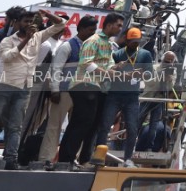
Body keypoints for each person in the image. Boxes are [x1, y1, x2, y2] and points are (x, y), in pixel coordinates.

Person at [0, 8, 67, 169]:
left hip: (24, 88)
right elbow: (7, 57)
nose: (29, 24)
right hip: (4, 85)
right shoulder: (7, 40)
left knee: (15, 126)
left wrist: (48, 15)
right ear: (18, 23)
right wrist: (25, 40)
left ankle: (10, 159)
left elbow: (61, 24)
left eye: (31, 21)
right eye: (25, 21)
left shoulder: (38, 37)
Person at [58, 12, 123, 166]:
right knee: (81, 123)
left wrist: (117, 68)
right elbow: (86, 63)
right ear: (108, 25)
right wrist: (106, 72)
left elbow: (106, 66)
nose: (120, 28)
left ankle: (78, 159)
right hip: (84, 85)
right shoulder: (93, 40)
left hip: (96, 88)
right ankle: (66, 160)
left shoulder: (108, 44)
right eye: (118, 25)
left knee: (89, 124)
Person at [39, 15, 97, 163]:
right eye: (90, 30)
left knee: (78, 129)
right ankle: (46, 159)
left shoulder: (93, 48)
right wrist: (55, 90)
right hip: (64, 93)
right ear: (81, 29)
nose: (93, 33)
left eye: (94, 30)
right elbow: (56, 69)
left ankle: (71, 159)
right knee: (54, 126)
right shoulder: (68, 46)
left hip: (82, 94)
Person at [95, 26, 154, 166]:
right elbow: (107, 72)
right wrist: (117, 68)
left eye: (137, 41)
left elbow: (150, 74)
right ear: (127, 40)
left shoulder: (145, 54)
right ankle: (99, 155)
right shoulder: (117, 54)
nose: (135, 43)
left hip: (132, 97)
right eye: (133, 41)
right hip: (114, 95)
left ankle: (128, 159)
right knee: (104, 125)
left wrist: (142, 74)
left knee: (132, 128)